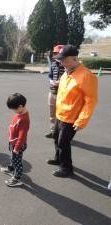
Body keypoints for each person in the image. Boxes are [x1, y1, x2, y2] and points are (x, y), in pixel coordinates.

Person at [46, 44, 98, 177]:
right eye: (61, 60)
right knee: (56, 137)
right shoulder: (67, 73)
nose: (62, 63)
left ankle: (66, 168)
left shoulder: (86, 76)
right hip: (61, 114)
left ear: (75, 59)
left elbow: (91, 100)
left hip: (72, 117)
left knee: (63, 143)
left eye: (65, 60)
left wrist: (82, 120)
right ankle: (58, 158)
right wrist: (58, 84)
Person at [1, 93, 30, 187]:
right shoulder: (19, 113)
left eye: (14, 109)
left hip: (18, 144)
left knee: (17, 160)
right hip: (13, 142)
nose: (13, 111)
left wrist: (17, 148)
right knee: (12, 157)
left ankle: (17, 178)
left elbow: (22, 136)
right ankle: (11, 168)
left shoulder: (24, 119)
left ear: (20, 106)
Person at [45, 45, 65, 138]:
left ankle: (61, 133)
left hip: (63, 94)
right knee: (52, 114)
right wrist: (50, 81)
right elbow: (50, 75)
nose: (55, 55)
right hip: (52, 92)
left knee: (62, 115)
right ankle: (53, 131)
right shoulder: (53, 64)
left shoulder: (67, 66)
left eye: (57, 53)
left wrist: (60, 83)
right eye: (55, 53)